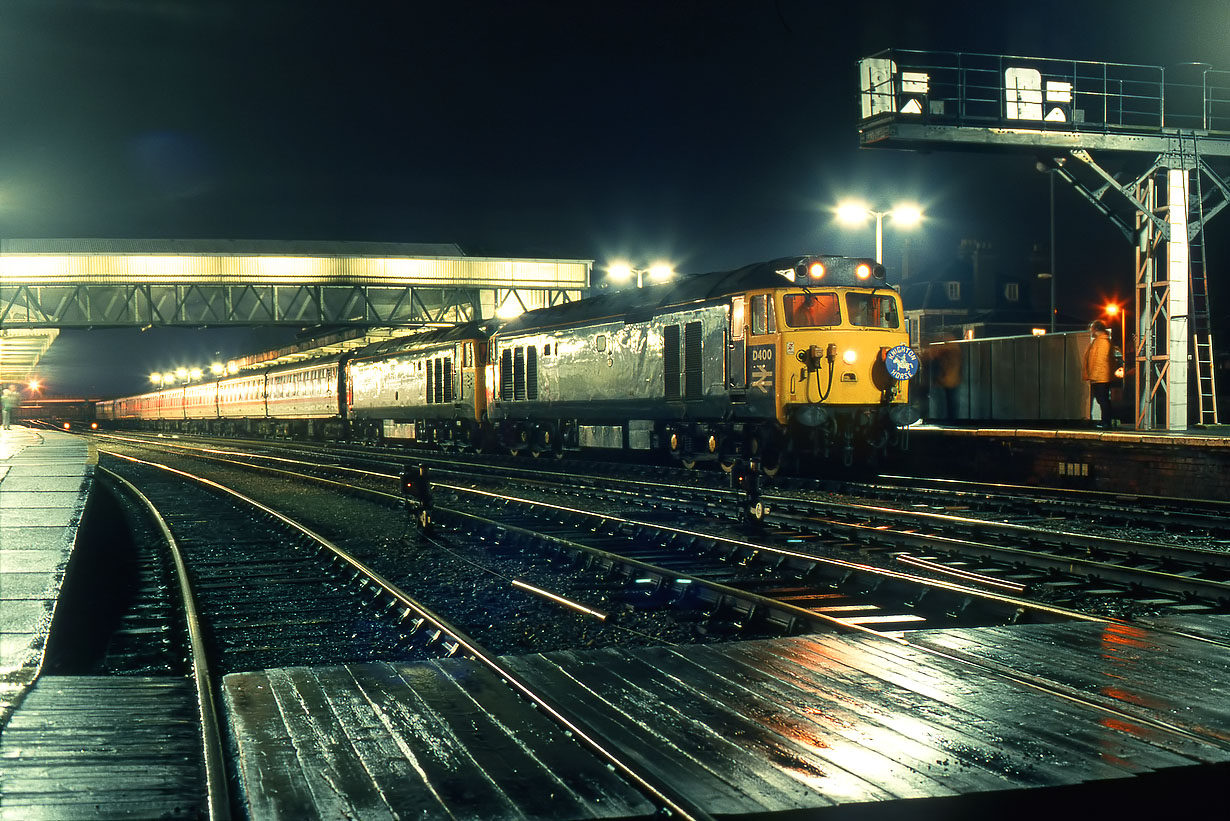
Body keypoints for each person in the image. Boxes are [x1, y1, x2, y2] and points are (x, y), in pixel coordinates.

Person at [1082, 320, 1114, 428]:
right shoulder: (1099, 341)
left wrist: (1094, 375)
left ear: (1095, 329)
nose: (1090, 331)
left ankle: (1106, 422)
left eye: (1091, 328)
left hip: (1101, 376)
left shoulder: (1103, 342)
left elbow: (1100, 360)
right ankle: (1105, 421)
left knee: (1103, 399)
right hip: (1099, 375)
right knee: (1102, 399)